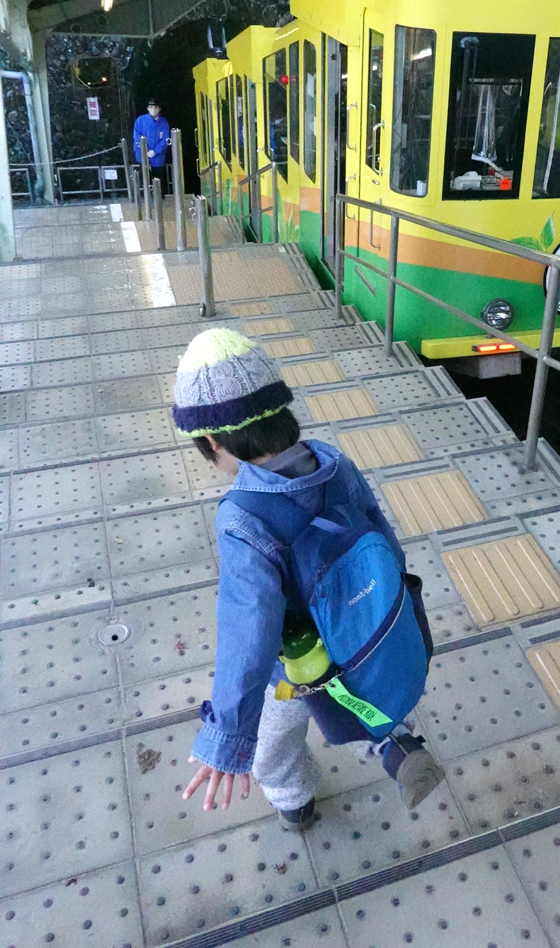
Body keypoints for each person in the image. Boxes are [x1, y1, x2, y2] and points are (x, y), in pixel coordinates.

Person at [175, 329, 445, 831]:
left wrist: (227, 736)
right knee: (363, 678)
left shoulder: (241, 518)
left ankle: (294, 799)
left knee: (273, 745)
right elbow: (384, 539)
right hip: (365, 623)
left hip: (299, 666)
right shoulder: (335, 461)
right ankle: (393, 739)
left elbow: (248, 632)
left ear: (211, 442)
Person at [133, 98, 171, 195]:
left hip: (158, 157)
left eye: (155, 107)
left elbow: (166, 139)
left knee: (158, 179)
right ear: (147, 108)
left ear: (159, 109)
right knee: (144, 179)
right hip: (142, 156)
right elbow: (136, 137)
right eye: (151, 107)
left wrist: (155, 151)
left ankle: (159, 197)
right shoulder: (140, 120)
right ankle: (145, 198)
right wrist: (144, 150)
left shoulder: (164, 122)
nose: (153, 109)